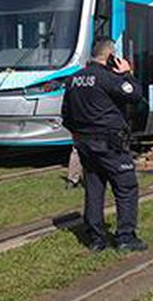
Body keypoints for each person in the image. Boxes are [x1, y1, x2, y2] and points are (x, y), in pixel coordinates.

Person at [60, 38, 146, 253]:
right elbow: (135, 94)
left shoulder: (73, 80)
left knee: (95, 188)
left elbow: (66, 115)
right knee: (126, 187)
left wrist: (79, 136)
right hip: (110, 143)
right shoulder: (107, 78)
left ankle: (95, 239)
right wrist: (127, 73)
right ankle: (126, 237)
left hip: (85, 144)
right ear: (111, 57)